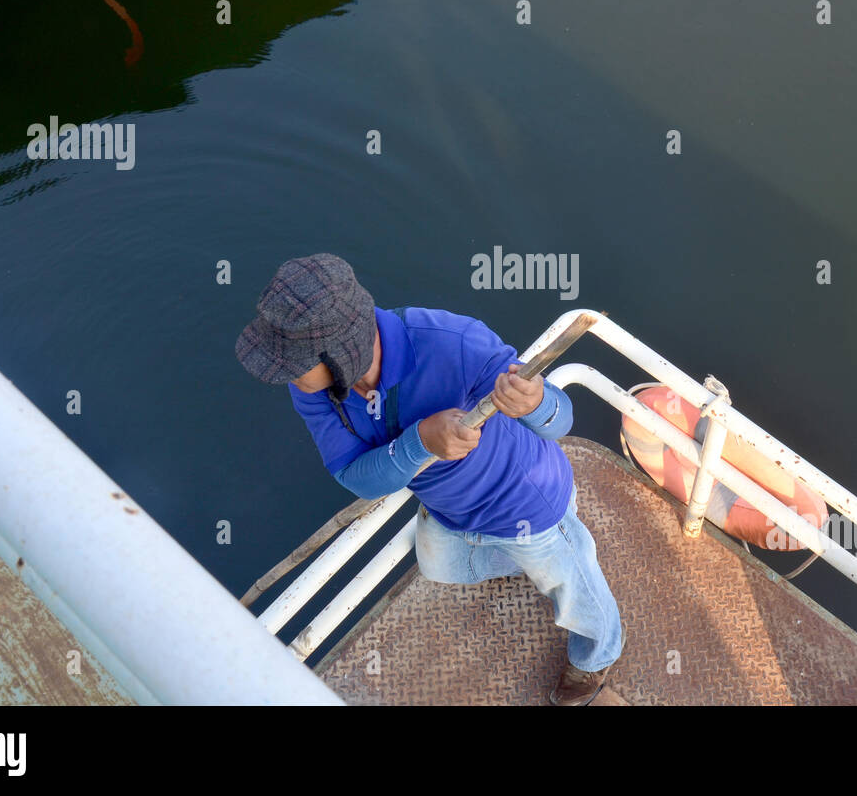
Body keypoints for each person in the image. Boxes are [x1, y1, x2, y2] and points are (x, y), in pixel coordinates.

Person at [235, 254, 624, 704]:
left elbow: (560, 421)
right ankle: (540, 560)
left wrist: (534, 402)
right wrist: (419, 442)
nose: (283, 373)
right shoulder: (314, 390)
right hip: (449, 510)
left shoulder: (455, 343)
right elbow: (356, 477)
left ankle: (597, 656)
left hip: (526, 503)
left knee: (574, 591)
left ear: (340, 355)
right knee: (439, 569)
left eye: (293, 362)